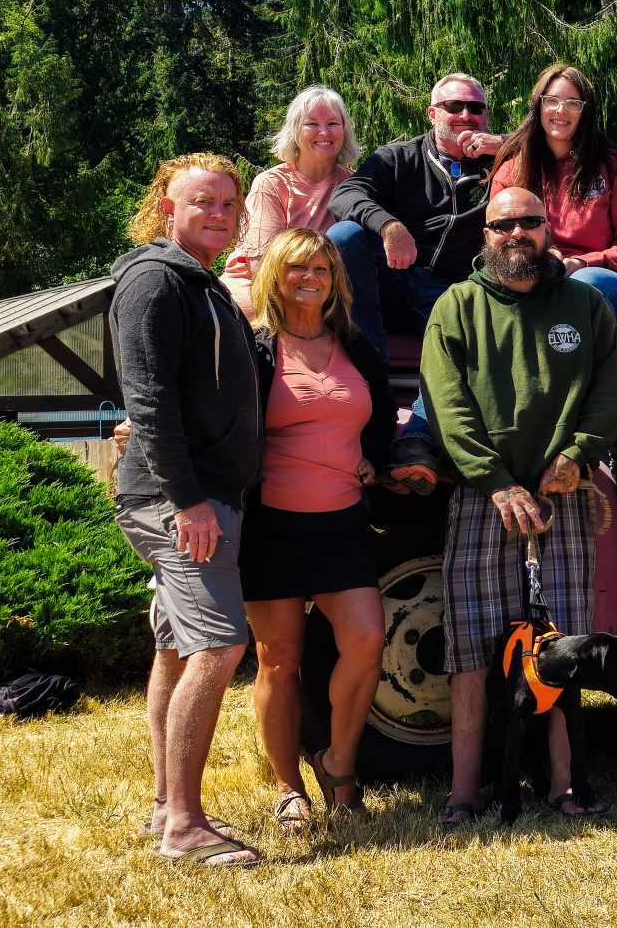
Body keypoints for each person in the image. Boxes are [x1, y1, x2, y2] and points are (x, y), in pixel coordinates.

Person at [417, 186, 617, 827]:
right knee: (471, 651)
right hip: (484, 498)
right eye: (503, 223)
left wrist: (579, 455)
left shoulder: (586, 305)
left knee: (562, 650)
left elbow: (608, 393)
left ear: (547, 229)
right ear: (485, 234)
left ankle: (565, 785)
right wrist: (496, 482)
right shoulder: (456, 306)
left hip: (564, 497)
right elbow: (447, 406)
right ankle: (463, 793)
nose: (517, 232)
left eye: (529, 221)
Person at [108, 153, 264, 868]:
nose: (218, 214)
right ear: (167, 207)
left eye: (229, 204)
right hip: (180, 502)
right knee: (219, 646)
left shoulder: (200, 284)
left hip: (199, 495)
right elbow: (148, 398)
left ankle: (166, 808)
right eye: (202, 202)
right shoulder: (154, 281)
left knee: (176, 647)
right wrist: (188, 500)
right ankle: (185, 828)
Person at [240, 227, 395, 832]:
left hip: (342, 523)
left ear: (335, 283)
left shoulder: (358, 348)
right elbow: (224, 424)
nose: (310, 278)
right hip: (271, 525)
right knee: (279, 659)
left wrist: (375, 461)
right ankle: (288, 786)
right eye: (297, 268)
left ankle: (338, 763)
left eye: (322, 269)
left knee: (367, 640)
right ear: (275, 277)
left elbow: (378, 422)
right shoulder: (256, 349)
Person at [327, 72, 505, 354]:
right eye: (454, 106)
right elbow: (345, 195)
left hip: (450, 289)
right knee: (345, 235)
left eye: (475, 107)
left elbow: (557, 144)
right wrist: (389, 225)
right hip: (392, 279)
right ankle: (369, 363)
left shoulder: (503, 162)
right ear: (432, 114)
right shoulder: (398, 157)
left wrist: (506, 142)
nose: (466, 115)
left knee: (468, 345)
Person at [492, 63, 617, 337]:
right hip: (538, 279)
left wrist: (582, 263)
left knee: (580, 285)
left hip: (610, 284)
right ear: (538, 106)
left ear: (585, 112)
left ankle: (590, 366)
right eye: (552, 100)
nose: (561, 110)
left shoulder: (613, 166)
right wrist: (543, 260)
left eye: (573, 103)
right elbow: (497, 239)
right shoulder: (511, 172)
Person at [222, 86, 359, 314]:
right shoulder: (271, 184)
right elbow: (261, 265)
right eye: (312, 124)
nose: (324, 132)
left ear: (344, 130)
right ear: (295, 130)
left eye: (333, 123)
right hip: (258, 289)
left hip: (322, 291)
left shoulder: (355, 184)